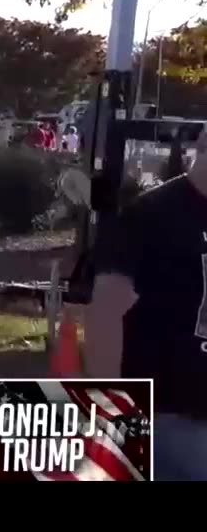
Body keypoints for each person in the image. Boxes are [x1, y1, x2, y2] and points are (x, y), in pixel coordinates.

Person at [85, 131, 207, 481]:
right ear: (201, 150)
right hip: (169, 415)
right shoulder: (152, 216)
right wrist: (109, 410)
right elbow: (105, 312)